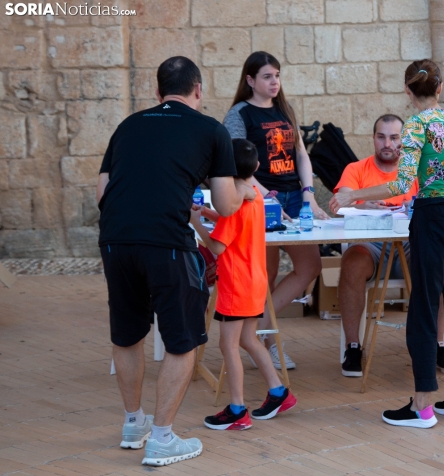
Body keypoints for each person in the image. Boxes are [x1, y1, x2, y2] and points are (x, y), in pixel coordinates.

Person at [96, 56, 252, 466]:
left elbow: (102, 193)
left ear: (157, 91)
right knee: (182, 340)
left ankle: (134, 423)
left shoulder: (128, 125)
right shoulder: (211, 131)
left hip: (115, 240)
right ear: (198, 90)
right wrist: (244, 191)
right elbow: (224, 202)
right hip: (167, 243)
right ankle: (162, 437)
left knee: (127, 334)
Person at [330, 60, 444, 428]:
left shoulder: (415, 125)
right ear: (440, 88)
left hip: (434, 220)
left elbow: (400, 184)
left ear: (408, 91)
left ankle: (423, 405)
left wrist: (353, 196)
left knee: (424, 311)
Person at [223, 51, 328, 370]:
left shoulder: (285, 109)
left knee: (310, 266)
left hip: (295, 196)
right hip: (259, 200)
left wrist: (309, 193)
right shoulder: (239, 114)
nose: (274, 82)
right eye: (267, 76)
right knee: (263, 277)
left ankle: (260, 327)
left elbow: (300, 153)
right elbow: (234, 162)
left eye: (277, 76)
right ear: (250, 80)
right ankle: (267, 344)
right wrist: (264, 195)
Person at [333, 114, 444, 378]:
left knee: (439, 264)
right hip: (371, 246)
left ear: (404, 140)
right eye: (381, 136)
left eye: (394, 137)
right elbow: (340, 201)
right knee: (351, 262)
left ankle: (438, 343)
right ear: (373, 139)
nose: (388, 143)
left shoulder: (418, 169)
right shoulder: (357, 169)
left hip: (411, 245)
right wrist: (364, 203)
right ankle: (353, 347)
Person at [191, 139, 297, 431]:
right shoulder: (254, 195)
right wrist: (210, 215)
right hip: (255, 280)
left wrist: (196, 224)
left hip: (235, 284)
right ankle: (279, 392)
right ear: (257, 167)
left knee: (228, 345)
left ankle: (237, 409)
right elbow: (239, 226)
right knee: (248, 339)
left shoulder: (234, 204)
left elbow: (218, 246)